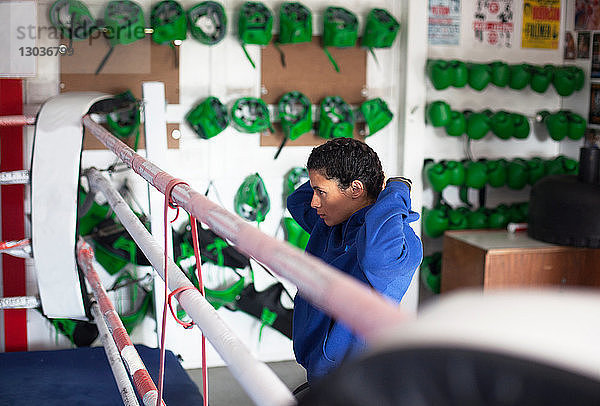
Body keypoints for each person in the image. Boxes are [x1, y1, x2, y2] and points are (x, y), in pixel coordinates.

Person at [286, 138, 423, 383]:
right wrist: (335, 170)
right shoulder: (329, 220)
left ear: (356, 189)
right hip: (321, 367)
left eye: (321, 192)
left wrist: (397, 189)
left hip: (359, 379)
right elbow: (295, 202)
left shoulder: (397, 242)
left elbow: (377, 257)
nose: (313, 201)